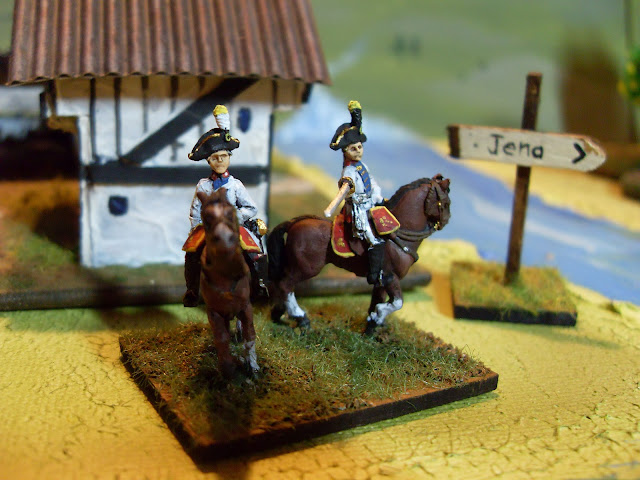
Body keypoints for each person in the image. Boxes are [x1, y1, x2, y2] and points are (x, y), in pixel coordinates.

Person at [182, 105, 268, 307]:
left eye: (223, 157)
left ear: (229, 158)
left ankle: (260, 284)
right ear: (209, 161)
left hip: (234, 225)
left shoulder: (235, 185)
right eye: (215, 158)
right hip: (209, 227)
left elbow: (251, 208)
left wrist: (234, 216)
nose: (219, 161)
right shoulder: (203, 185)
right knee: (192, 253)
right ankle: (192, 290)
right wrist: (197, 227)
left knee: (253, 250)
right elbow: (195, 210)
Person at [329, 100, 391, 286]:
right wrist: (347, 187)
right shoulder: (348, 171)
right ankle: (374, 275)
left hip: (370, 203)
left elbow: (372, 182)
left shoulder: (362, 166)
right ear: (345, 151)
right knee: (373, 240)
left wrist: (378, 197)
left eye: (360, 147)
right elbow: (346, 187)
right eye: (353, 149)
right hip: (358, 210)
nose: (358, 151)